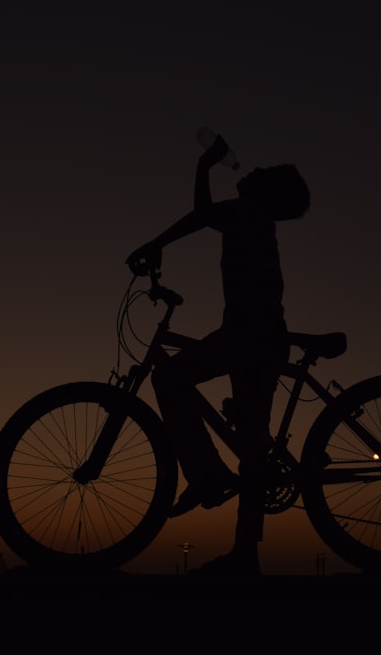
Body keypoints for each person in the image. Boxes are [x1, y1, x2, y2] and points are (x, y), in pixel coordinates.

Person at [125, 133, 310, 576]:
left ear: (266, 192)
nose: (249, 172)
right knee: (251, 448)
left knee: (168, 378)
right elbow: (208, 217)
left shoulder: (249, 212)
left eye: (260, 174)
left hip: (247, 335)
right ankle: (245, 555)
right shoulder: (258, 220)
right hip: (262, 336)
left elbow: (202, 215)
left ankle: (207, 476)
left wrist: (203, 168)